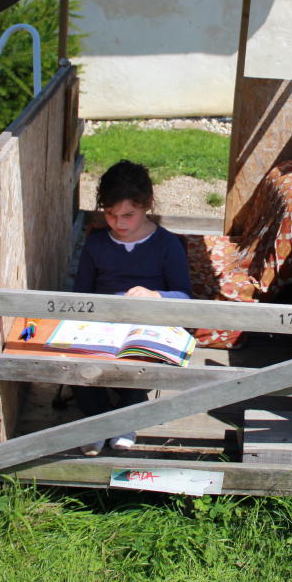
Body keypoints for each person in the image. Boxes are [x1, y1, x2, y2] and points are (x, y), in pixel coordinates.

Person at [73, 160, 192, 456]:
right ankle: (99, 421)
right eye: (110, 214)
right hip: (104, 324)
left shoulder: (167, 245)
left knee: (140, 358)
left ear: (147, 205)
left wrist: (156, 296)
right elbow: (80, 294)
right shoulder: (96, 244)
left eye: (128, 215)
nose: (119, 223)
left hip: (149, 324)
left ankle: (123, 419)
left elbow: (185, 297)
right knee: (74, 360)